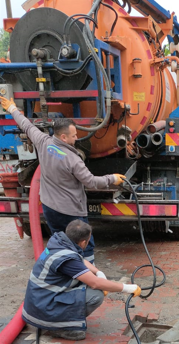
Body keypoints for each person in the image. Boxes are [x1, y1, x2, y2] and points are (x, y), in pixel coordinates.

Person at [0, 95, 126, 262]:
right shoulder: (73, 160)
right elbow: (91, 182)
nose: (77, 138)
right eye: (74, 135)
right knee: (85, 245)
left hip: (50, 209)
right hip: (71, 212)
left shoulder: (43, 142)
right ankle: (90, 279)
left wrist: (12, 109)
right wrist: (113, 178)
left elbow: (26, 125)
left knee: (61, 244)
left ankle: (64, 275)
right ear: (63, 137)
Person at [22, 220, 141, 340]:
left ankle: (60, 320)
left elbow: (81, 261)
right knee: (96, 295)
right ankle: (60, 327)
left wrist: (98, 272)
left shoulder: (59, 241)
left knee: (86, 283)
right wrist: (128, 288)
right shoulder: (68, 260)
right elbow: (95, 283)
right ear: (84, 242)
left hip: (39, 301)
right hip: (43, 308)